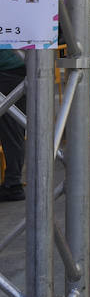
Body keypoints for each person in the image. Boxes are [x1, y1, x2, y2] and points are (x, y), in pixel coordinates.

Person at [0, 48, 25, 200]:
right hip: (16, 68)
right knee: (14, 127)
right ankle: (13, 181)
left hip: (7, 70)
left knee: (11, 127)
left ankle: (13, 183)